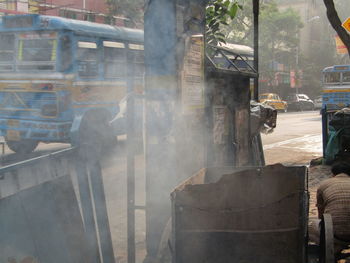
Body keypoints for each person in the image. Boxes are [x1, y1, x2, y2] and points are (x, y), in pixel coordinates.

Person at [315, 162, 350, 259]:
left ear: (333, 174)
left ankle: (336, 249)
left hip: (335, 234)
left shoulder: (324, 185)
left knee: (313, 226)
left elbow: (320, 214)